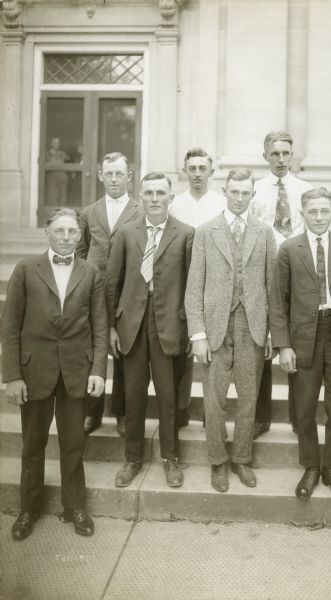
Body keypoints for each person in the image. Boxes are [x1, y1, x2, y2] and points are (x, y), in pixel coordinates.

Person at [2, 208, 108, 540]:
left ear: (80, 236)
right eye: (59, 231)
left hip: (76, 371)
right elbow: (10, 327)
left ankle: (75, 506)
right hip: (35, 372)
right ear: (47, 233)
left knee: (73, 445)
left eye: (72, 232)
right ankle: (27, 509)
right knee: (32, 446)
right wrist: (12, 376)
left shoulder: (90, 272)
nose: (65, 237)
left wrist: (99, 370)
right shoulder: (25, 269)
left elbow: (101, 327)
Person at [269, 188, 331, 500]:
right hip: (303, 337)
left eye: (324, 212)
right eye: (313, 212)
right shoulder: (289, 249)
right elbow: (278, 302)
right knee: (305, 406)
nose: (319, 217)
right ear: (303, 214)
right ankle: (311, 465)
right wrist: (283, 345)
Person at [185, 169, 276, 492]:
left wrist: (269, 334)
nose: (239, 198)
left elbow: (271, 288)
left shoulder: (264, 233)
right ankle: (218, 461)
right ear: (225, 191)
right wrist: (197, 335)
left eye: (245, 193)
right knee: (215, 398)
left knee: (248, 398)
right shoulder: (206, 232)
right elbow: (194, 288)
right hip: (215, 328)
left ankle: (241, 458)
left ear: (253, 195)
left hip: (252, 326)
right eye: (234, 192)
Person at [105, 172, 194, 489]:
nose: (155, 198)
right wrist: (111, 329)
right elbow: (112, 283)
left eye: (161, 193)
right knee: (133, 394)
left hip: (168, 324)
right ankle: (133, 458)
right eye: (149, 193)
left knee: (168, 395)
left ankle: (170, 458)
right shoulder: (126, 233)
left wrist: (190, 328)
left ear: (171, 197)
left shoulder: (185, 234)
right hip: (131, 324)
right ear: (140, 197)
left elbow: (191, 285)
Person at [250, 130, 313, 439]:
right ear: (265, 156)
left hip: (297, 275)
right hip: (263, 274)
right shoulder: (254, 190)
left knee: (296, 344)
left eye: (285, 153)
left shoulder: (305, 189)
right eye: (274, 153)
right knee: (262, 343)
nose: (280, 159)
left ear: (292, 155)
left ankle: (298, 417)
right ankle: (260, 417)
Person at [77, 152, 142, 437]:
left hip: (127, 294)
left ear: (129, 176)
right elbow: (81, 250)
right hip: (96, 294)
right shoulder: (89, 212)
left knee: (125, 353)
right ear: (101, 175)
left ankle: (122, 413)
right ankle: (93, 412)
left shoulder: (140, 211)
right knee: (95, 351)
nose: (114, 179)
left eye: (119, 173)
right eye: (109, 173)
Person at [170, 148, 226, 427]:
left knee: (211, 348)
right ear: (184, 170)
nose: (197, 174)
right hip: (181, 282)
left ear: (211, 172)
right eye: (192, 168)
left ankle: (210, 413)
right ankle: (181, 410)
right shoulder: (175, 204)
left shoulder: (222, 203)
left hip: (214, 282)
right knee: (182, 348)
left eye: (202, 168)